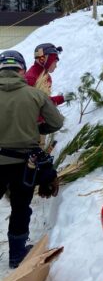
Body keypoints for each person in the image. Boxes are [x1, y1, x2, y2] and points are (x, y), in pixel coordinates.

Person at [0, 50, 64, 268]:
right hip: (24, 165)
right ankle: (17, 255)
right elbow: (56, 123)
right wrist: (37, 128)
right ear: (22, 70)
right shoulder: (35, 95)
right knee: (20, 207)